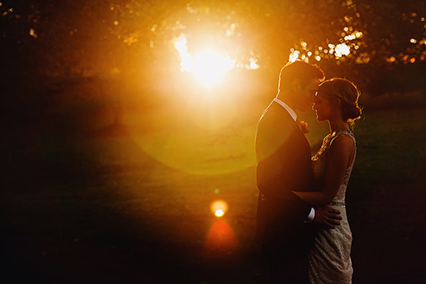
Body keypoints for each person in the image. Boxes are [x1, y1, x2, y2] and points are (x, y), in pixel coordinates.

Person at [254, 61, 342, 283]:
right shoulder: (275, 121)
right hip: (282, 231)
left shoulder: (283, 118)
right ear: (295, 85)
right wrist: (311, 213)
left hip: (288, 229)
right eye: (312, 90)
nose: (315, 97)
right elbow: (268, 183)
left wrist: (296, 131)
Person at [292, 78, 362, 283]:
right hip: (320, 221)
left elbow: (327, 194)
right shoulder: (330, 137)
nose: (314, 106)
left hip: (331, 223)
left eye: (320, 101)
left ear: (337, 103)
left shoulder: (342, 141)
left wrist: (286, 197)